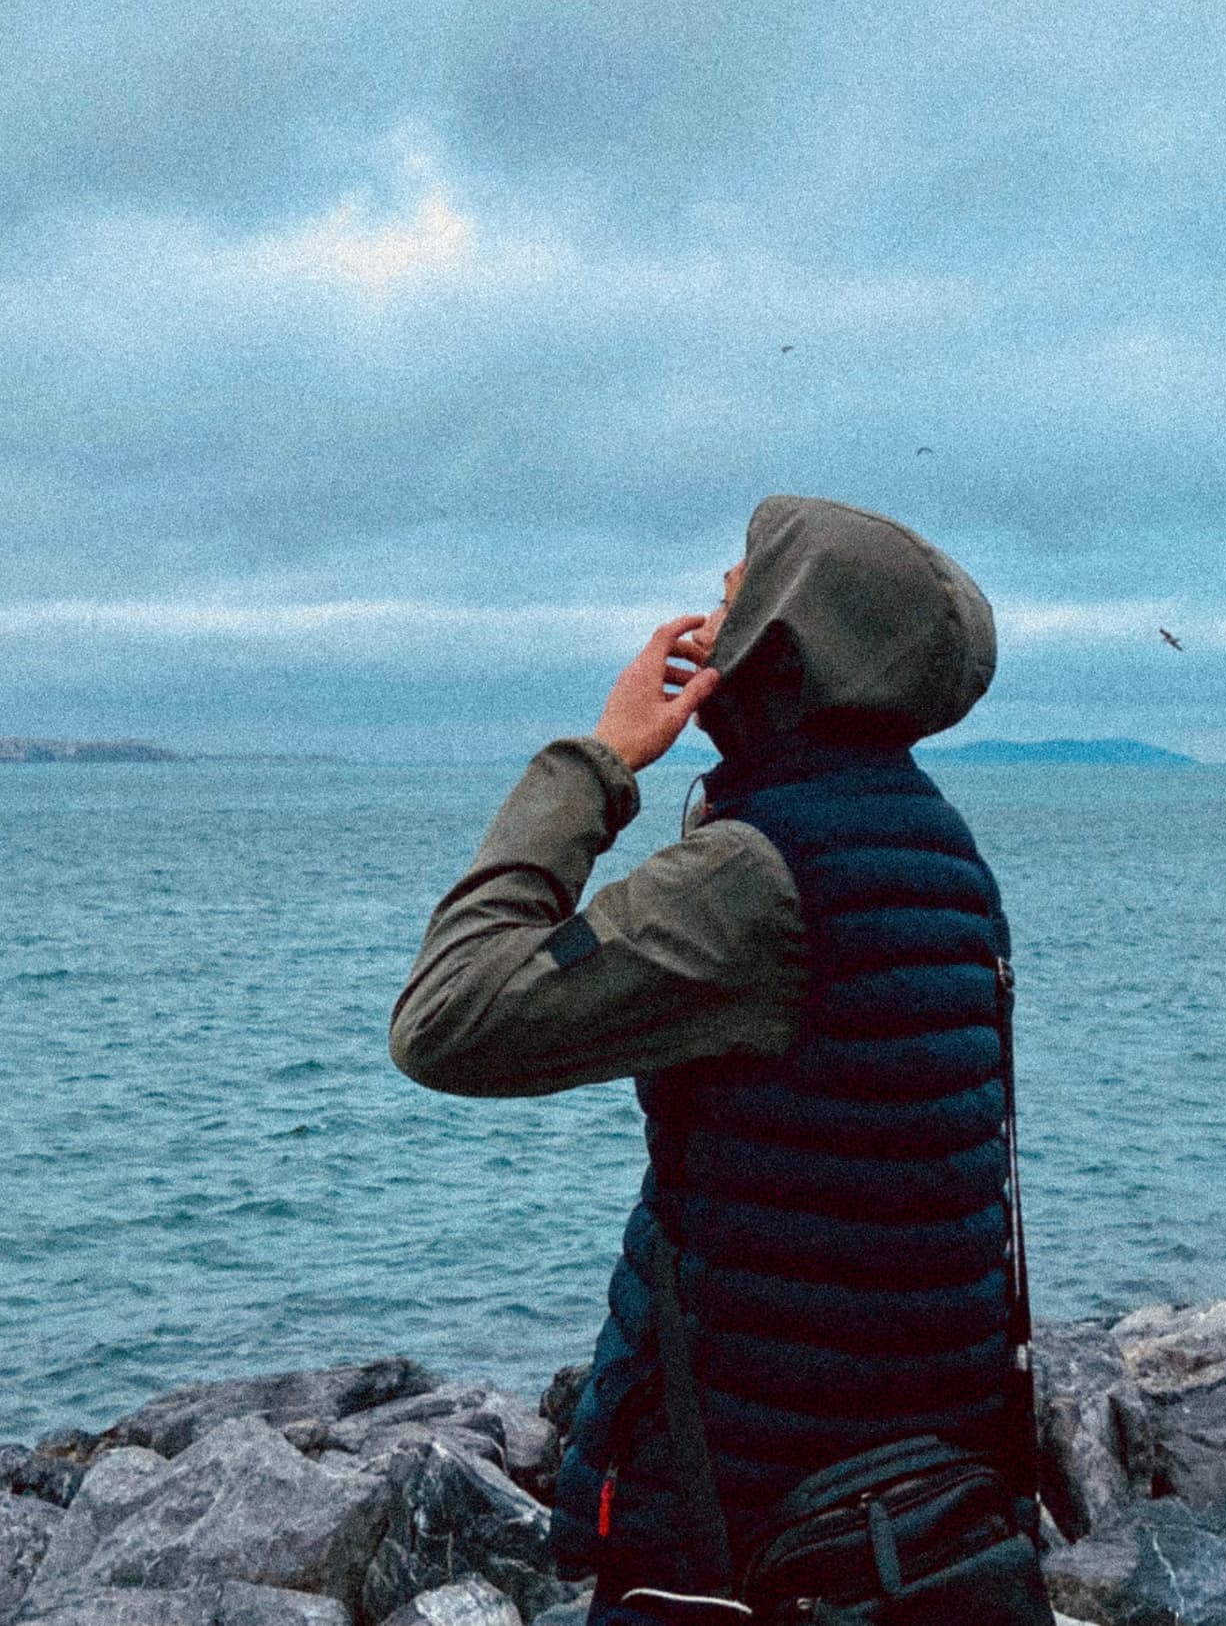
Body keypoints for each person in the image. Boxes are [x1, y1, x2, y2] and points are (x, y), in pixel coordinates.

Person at [390, 494, 1033, 1620]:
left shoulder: (755, 874)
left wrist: (597, 760)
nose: (708, 613)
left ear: (783, 647)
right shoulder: (939, 850)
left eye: (735, 592)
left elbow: (445, 1020)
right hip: (917, 1499)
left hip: (738, 1528)